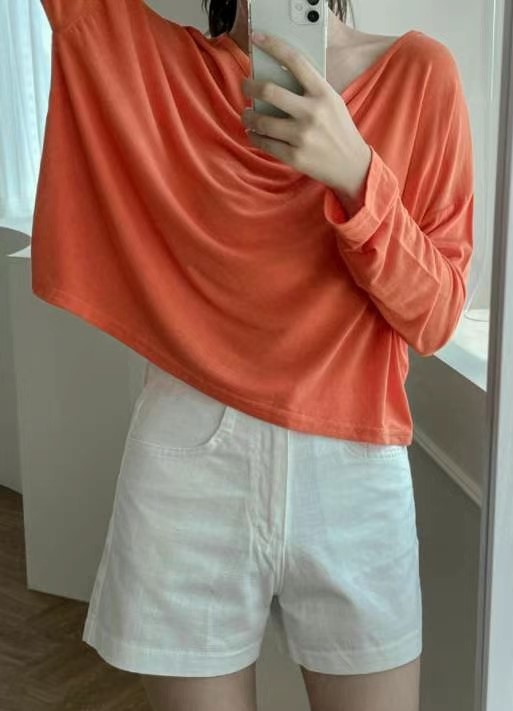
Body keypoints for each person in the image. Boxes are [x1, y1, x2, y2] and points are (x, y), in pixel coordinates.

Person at [34, 1, 474, 709]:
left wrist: (358, 175)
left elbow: (436, 316)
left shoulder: (419, 76)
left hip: (355, 472)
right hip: (187, 462)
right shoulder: (157, 64)